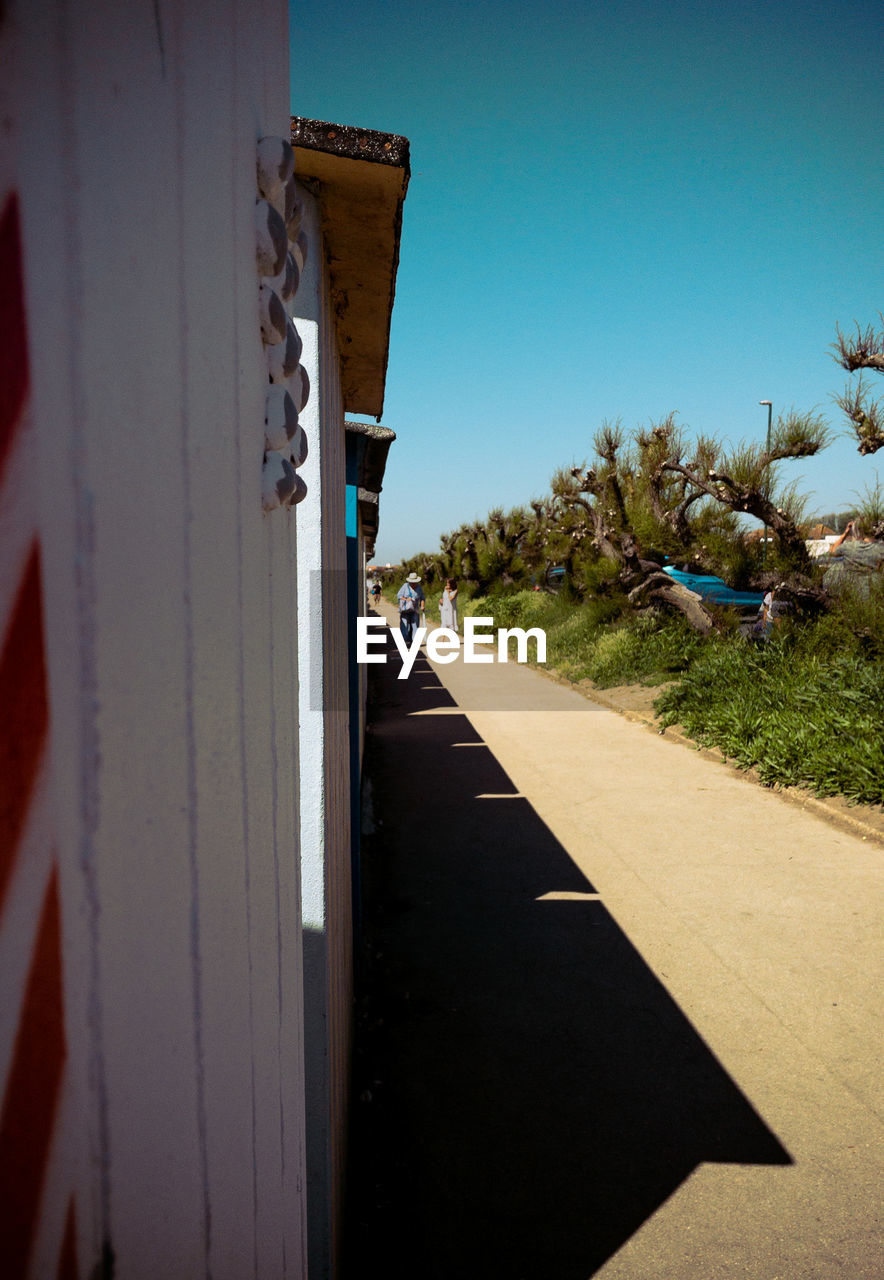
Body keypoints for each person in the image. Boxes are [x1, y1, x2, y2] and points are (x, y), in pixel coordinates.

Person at [396, 571, 425, 644]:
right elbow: (399, 596)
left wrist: (422, 605)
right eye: (412, 582)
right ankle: (405, 641)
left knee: (415, 626)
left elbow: (422, 597)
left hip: (415, 611)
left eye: (414, 582)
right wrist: (407, 600)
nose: (413, 584)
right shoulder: (405, 586)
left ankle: (414, 642)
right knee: (405, 626)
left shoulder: (419, 588)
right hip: (405, 611)